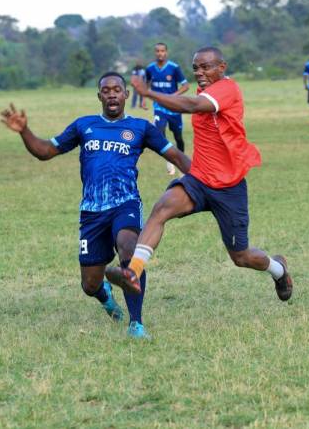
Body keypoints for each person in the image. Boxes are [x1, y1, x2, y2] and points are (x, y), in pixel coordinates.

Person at [0, 72, 191, 339]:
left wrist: (203, 179)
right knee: (89, 284)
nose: (112, 94)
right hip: (92, 211)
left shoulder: (140, 128)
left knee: (129, 246)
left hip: (126, 204)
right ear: (99, 96)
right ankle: (105, 296)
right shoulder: (84, 125)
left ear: (125, 95)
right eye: (106, 90)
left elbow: (175, 155)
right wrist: (24, 131)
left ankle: (136, 323)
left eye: (117, 89)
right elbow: (45, 151)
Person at [105, 47, 294, 308]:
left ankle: (279, 270)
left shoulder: (227, 90)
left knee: (241, 256)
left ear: (222, 67)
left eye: (206, 67)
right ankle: (133, 272)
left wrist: (149, 93)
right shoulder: (204, 89)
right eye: (196, 68)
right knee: (161, 208)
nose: (200, 73)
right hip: (199, 179)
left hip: (229, 187)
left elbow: (193, 106)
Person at [145, 42, 189, 175]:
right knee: (159, 130)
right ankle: (169, 159)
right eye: (157, 51)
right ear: (155, 53)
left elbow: (185, 86)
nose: (160, 53)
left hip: (174, 108)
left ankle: (182, 162)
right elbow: (146, 85)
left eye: (162, 51)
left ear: (166, 52)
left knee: (178, 137)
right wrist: (143, 100)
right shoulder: (150, 69)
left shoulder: (174, 68)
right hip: (159, 106)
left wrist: (172, 97)